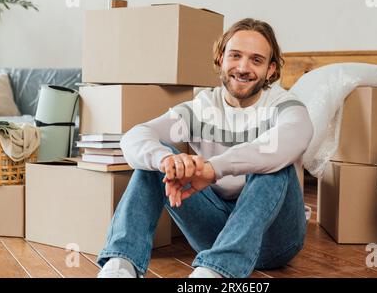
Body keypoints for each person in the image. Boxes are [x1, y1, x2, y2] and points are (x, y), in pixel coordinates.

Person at [97, 18, 314, 278]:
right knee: (155, 162)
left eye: (256, 60)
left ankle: (213, 273)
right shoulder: (201, 108)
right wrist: (166, 160)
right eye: (235, 56)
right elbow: (135, 137)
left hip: (274, 242)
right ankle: (120, 267)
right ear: (221, 59)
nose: (243, 68)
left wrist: (213, 169)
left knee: (275, 165)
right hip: (215, 235)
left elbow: (288, 141)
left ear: (271, 70)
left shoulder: (285, 105)